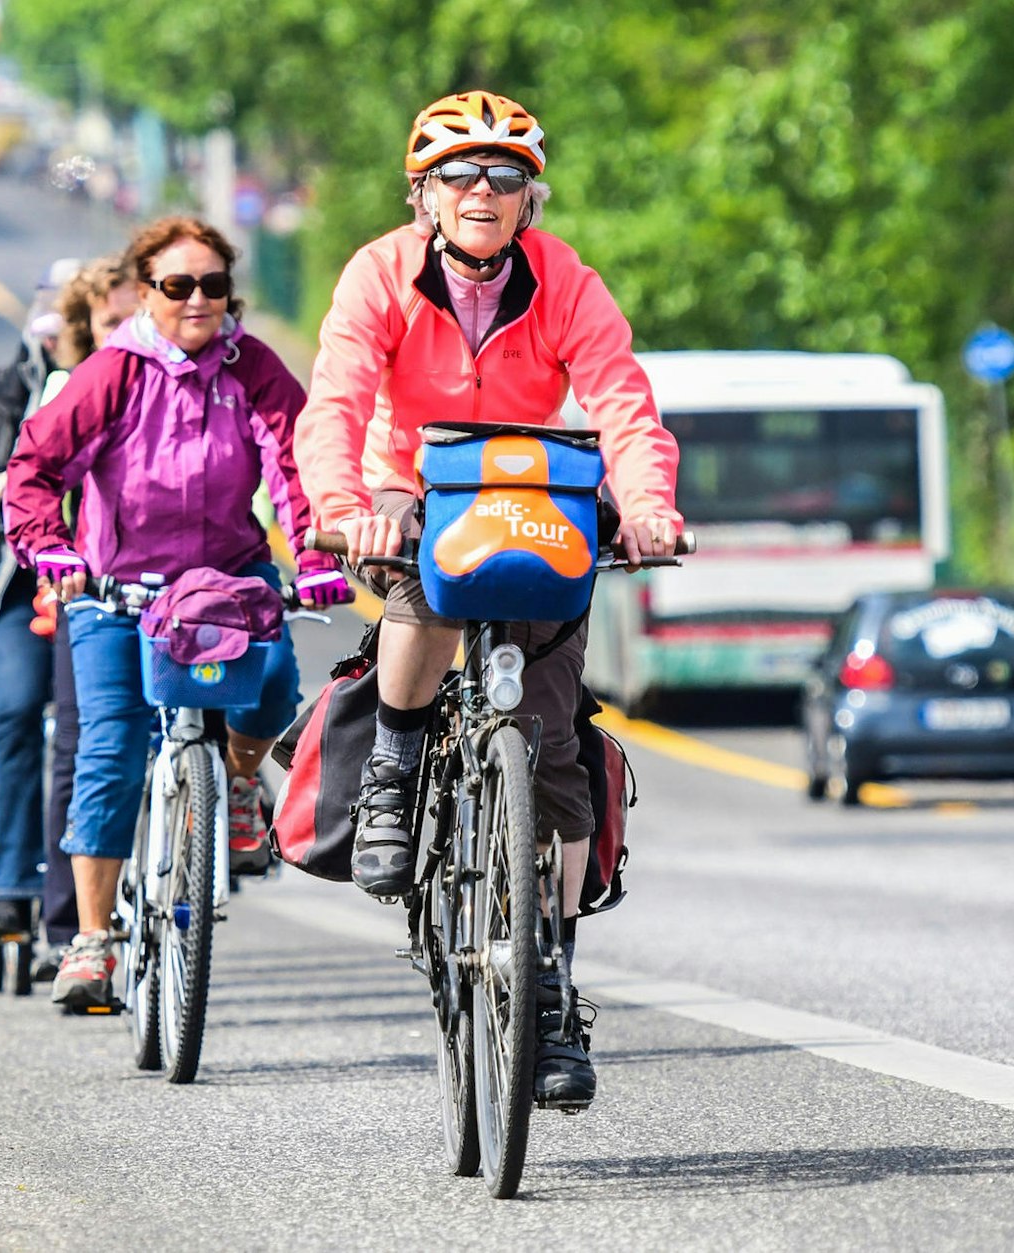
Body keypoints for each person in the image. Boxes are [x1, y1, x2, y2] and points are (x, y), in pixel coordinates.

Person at [292, 91, 683, 1108]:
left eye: (502, 177)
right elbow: (332, 397)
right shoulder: (379, 272)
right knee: (418, 585)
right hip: (405, 494)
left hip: (528, 496)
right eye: (459, 175)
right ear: (422, 195)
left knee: (552, 748)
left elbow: (621, 402)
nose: (480, 191)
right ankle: (392, 758)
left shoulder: (564, 281)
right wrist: (342, 504)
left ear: (527, 199)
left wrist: (642, 508)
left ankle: (547, 983)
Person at [7, 216, 351, 1010]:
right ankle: (93, 941)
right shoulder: (112, 373)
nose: (198, 300)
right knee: (111, 753)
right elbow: (33, 466)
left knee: (271, 687)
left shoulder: (254, 368)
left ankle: (233, 781)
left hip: (229, 580)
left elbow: (295, 462)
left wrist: (316, 555)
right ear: (146, 292)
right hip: (116, 590)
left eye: (213, 285)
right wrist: (51, 550)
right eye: (177, 285)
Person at [0, 256, 141, 947]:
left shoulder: (145, 373)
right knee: (21, 710)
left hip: (112, 573)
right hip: (22, 582)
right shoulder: (10, 383)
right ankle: (15, 883)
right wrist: (2, 485)